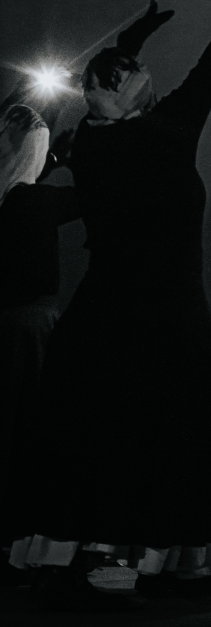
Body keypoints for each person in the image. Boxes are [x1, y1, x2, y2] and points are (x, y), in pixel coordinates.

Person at [8, 0, 211, 608]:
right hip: (166, 312)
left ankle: (62, 563)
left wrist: (127, 46)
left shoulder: (90, 145)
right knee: (174, 434)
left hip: (102, 312)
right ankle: (174, 567)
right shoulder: (167, 133)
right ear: (137, 91)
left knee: (90, 434)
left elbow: (113, 95)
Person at [0, 99, 79, 577]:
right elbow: (84, 198)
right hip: (28, 328)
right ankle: (21, 539)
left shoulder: (12, 199)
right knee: (26, 432)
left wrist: (51, 161)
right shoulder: (32, 202)